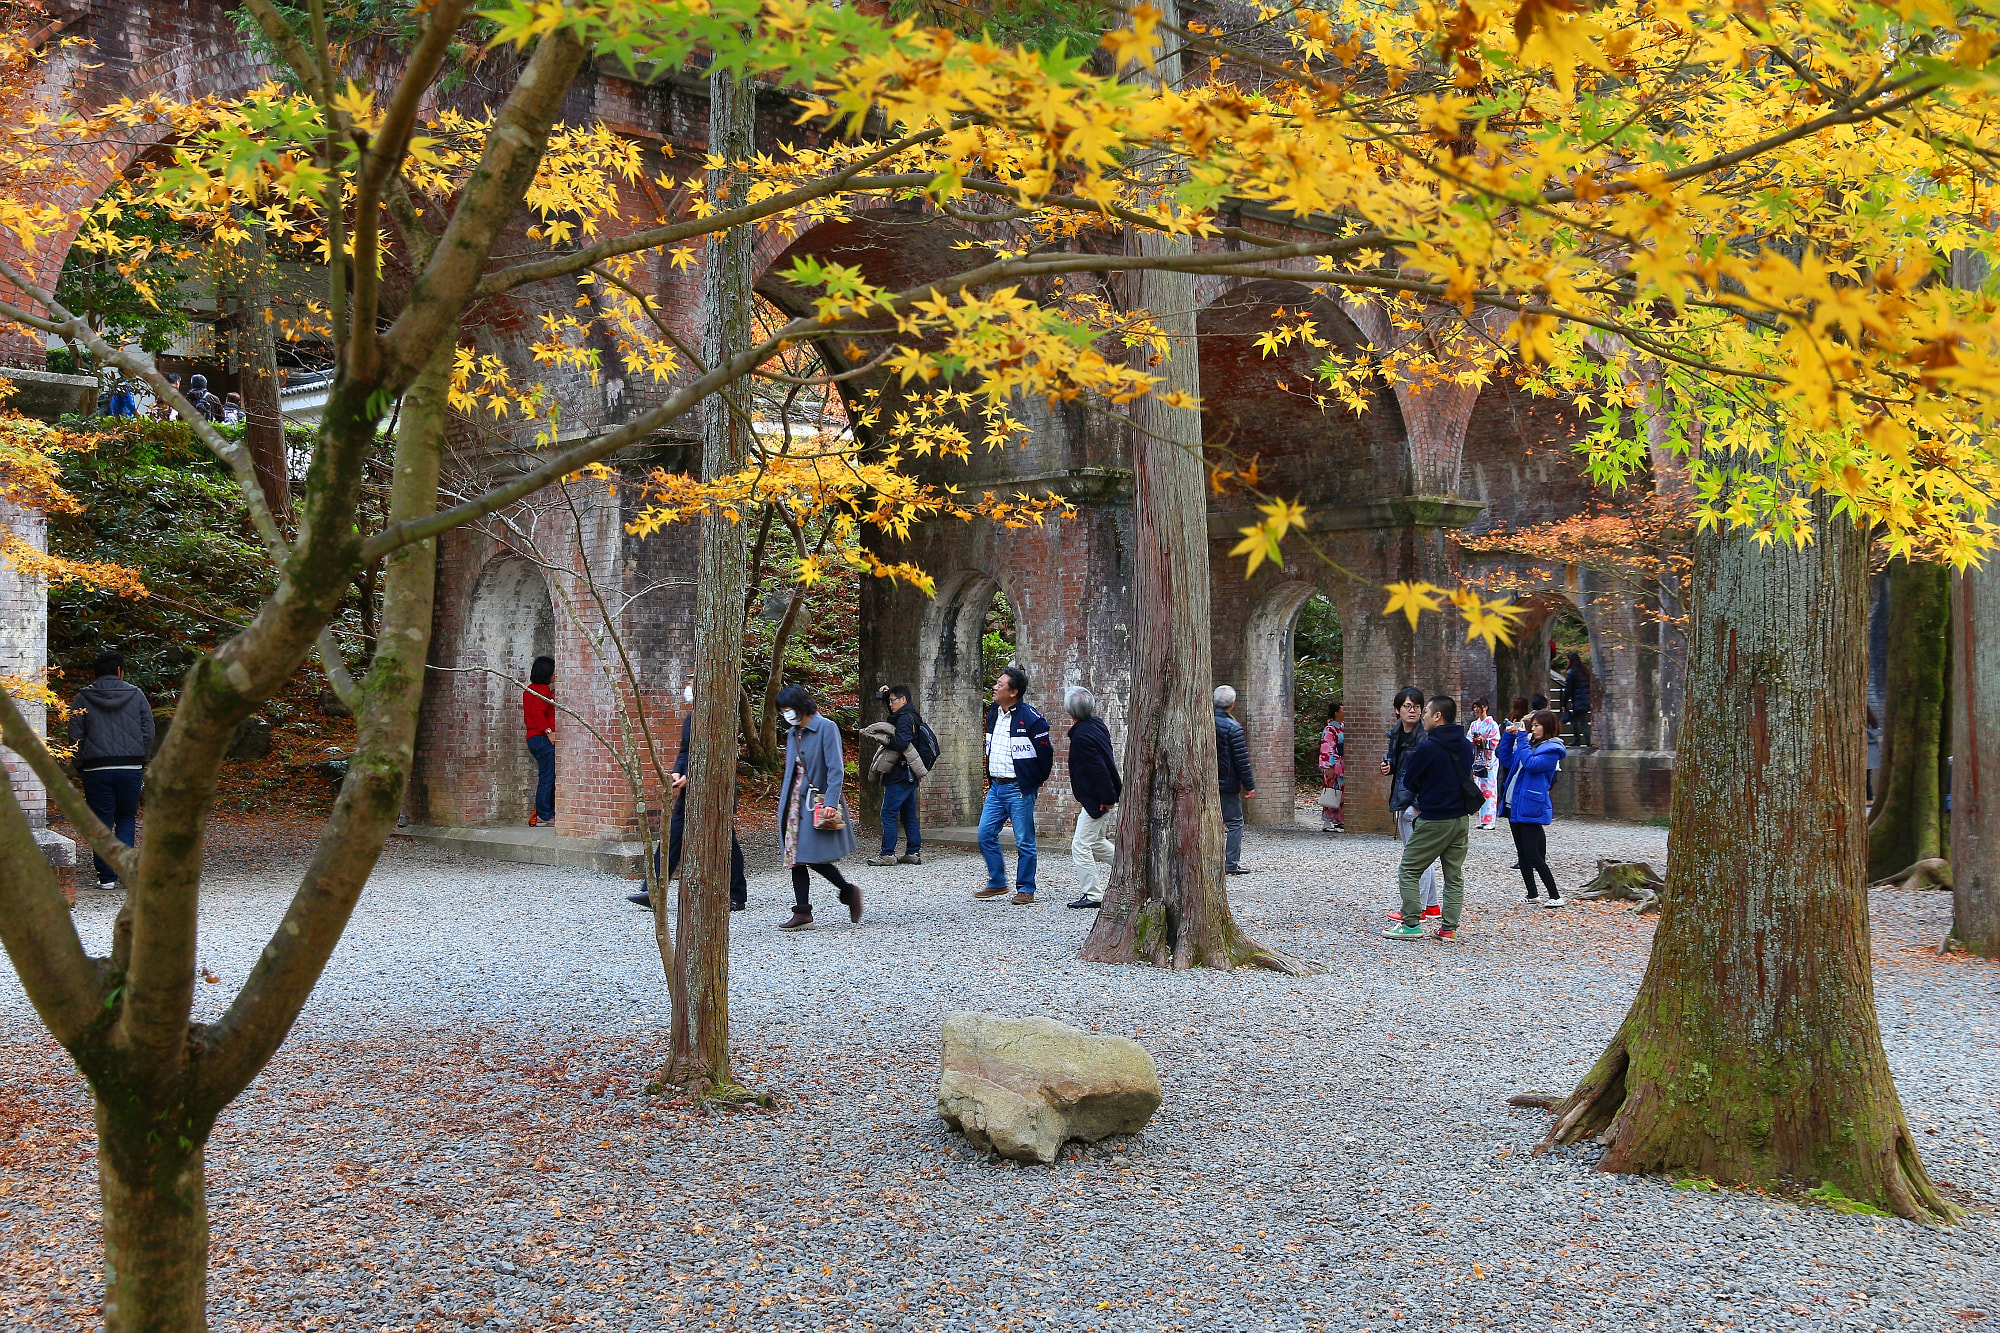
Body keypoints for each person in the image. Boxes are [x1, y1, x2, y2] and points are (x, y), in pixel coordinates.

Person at [628, 684, 747, 912]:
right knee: (672, 838)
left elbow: (720, 758)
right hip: (689, 795)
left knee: (726, 842)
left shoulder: (719, 720)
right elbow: (685, 751)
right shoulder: (691, 718)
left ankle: (737, 894)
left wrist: (692, 777)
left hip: (716, 792)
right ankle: (651, 890)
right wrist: (677, 771)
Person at [1381, 694, 1476, 942]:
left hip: (1434, 818)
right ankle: (1448, 929)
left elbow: (1409, 779)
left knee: (1409, 869)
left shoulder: (1428, 747)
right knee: (1454, 875)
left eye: (1426, 712)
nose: (1422, 716)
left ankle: (1411, 923)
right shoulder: (1466, 745)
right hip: (1460, 819)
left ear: (1437, 716)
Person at [775, 684, 861, 930]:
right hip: (793, 804)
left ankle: (848, 891)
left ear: (802, 706)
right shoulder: (792, 733)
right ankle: (803, 912)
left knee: (812, 858)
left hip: (816, 803)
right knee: (795, 858)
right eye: (783, 711)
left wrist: (831, 802)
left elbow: (836, 769)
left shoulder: (826, 727)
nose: (787, 715)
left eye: (789, 709)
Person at [68, 650, 153, 891]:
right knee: (126, 818)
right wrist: (142, 759)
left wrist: (80, 764)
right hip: (130, 766)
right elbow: (148, 731)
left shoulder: (82, 698)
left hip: (97, 768)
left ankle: (106, 877)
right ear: (119, 671)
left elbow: (75, 735)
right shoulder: (136, 695)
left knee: (102, 822)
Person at [973, 665, 1053, 904]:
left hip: (1019, 788)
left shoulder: (1031, 719)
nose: (995, 687)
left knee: (1024, 840)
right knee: (985, 833)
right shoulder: (994, 713)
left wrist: (1032, 781)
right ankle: (997, 882)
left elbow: (1045, 756)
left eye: (1000, 684)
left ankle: (1026, 888)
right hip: (996, 788)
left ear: (1014, 692)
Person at [1380, 686, 1441, 925]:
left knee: (1416, 857)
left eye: (1416, 706)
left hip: (1414, 803)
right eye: (1407, 706)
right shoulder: (1397, 734)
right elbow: (1398, 762)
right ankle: (1432, 905)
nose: (1412, 710)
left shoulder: (1424, 738)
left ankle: (1419, 908)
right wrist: (1388, 766)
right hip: (1402, 798)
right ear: (1398, 710)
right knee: (1418, 853)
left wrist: (1416, 805)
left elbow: (1428, 773)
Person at [1500, 708, 1568, 906]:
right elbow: (1506, 760)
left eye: (1537, 725)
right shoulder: (1529, 745)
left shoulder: (1552, 750)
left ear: (1547, 727)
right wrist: (1508, 736)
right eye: (1533, 725)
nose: (1533, 729)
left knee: (1534, 855)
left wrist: (1521, 738)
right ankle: (1532, 894)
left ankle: (1555, 896)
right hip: (1516, 804)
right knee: (1522, 854)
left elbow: (1530, 764)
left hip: (1531, 805)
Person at [1064, 686, 1120, 909]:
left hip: (1097, 798)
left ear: (1071, 711)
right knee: (1096, 842)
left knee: (1080, 845)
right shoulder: (1097, 725)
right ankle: (1131, 868)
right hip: (1100, 795)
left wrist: (1106, 798)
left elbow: (1099, 769)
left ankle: (1093, 894)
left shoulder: (1082, 736)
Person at [867, 684, 926, 867]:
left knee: (888, 813)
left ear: (903, 700)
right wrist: (884, 695)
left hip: (900, 774)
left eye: (893, 700)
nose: (890, 704)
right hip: (909, 774)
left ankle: (888, 853)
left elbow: (901, 742)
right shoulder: (910, 715)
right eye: (889, 700)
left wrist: (884, 739)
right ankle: (912, 852)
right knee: (908, 813)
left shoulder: (904, 719)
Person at [1213, 685, 1256, 875]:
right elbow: (1241, 760)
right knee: (1234, 823)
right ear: (1232, 705)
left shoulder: (1202, 722)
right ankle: (1231, 863)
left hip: (1204, 784)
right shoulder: (1233, 727)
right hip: (1227, 784)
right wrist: (1249, 785)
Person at [523, 656, 556, 827]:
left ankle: (546, 813)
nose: (555, 674)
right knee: (548, 777)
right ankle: (544, 815)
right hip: (542, 738)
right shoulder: (543, 690)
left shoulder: (529, 689)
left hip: (533, 738)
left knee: (547, 776)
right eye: (553, 670)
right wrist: (549, 732)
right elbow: (538, 712)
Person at [1467, 697, 1501, 830]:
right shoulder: (1474, 725)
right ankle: (1483, 819)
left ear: (1485, 707)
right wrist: (1474, 741)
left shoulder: (1492, 724)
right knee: (1480, 789)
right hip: (1478, 759)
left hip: (1489, 760)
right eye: (1474, 707)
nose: (1475, 709)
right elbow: (1468, 738)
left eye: (1478, 707)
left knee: (1490, 789)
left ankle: (1490, 820)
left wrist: (1483, 740)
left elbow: (1495, 741)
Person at [1317, 700, 1345, 832]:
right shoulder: (1330, 729)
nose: (1345, 711)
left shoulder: (1342, 727)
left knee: (1341, 792)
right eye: (1342, 709)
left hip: (1342, 761)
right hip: (1333, 763)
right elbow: (1327, 748)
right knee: (1331, 790)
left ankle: (1339, 821)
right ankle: (1327, 821)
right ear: (1336, 712)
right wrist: (1329, 766)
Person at [1561, 651, 1593, 749]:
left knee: (1582, 723)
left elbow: (1568, 689)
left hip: (1578, 701)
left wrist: (1564, 703)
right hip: (1586, 700)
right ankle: (1579, 740)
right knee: (1578, 721)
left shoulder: (1571, 672)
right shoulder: (1584, 671)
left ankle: (1586, 742)